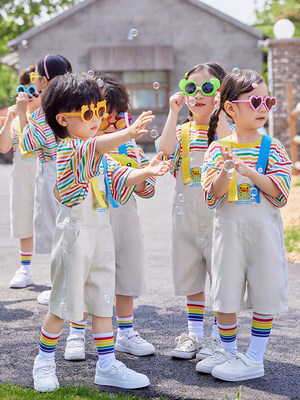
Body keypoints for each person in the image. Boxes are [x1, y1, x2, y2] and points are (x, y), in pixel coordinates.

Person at [32, 72, 170, 392]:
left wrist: (145, 171)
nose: (98, 119)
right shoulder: (68, 149)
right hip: (75, 236)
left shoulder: (97, 151)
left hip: (101, 232)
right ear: (63, 119)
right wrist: (129, 133)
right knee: (62, 303)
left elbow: (118, 175)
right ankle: (43, 361)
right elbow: (91, 150)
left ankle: (107, 364)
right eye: (89, 113)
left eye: (100, 111)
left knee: (101, 300)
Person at [198, 69, 292, 381]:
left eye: (267, 100)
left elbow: (280, 193)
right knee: (225, 293)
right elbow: (212, 197)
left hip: (263, 234)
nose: (263, 107)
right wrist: (226, 169)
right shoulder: (216, 149)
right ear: (230, 108)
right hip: (228, 233)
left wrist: (250, 173)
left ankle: (254, 357)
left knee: (264, 291)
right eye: (254, 101)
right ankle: (228, 352)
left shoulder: (273, 147)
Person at [64, 74, 156, 362]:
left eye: (121, 118)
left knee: (126, 273)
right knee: (87, 275)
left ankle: (126, 332)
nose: (115, 124)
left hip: (126, 220)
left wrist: (145, 174)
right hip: (90, 222)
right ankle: (77, 331)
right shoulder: (83, 148)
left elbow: (147, 190)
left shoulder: (130, 147)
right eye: (107, 117)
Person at [158, 62, 231, 360]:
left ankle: (218, 337)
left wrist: (221, 112)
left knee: (222, 274)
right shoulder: (182, 131)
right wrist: (173, 113)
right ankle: (194, 334)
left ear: (222, 93)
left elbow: (229, 147)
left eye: (208, 88)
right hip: (185, 215)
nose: (198, 94)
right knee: (190, 274)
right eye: (191, 88)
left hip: (220, 215)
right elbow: (164, 150)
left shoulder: (228, 129)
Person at [19, 55, 72, 302]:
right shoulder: (74, 99)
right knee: (73, 228)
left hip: (53, 171)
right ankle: (74, 285)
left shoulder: (46, 107)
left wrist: (22, 114)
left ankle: (60, 288)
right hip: (75, 169)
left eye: (36, 77)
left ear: (44, 79)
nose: (35, 82)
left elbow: (28, 143)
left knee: (56, 231)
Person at [0, 65, 40, 288]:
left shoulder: (50, 119)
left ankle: (59, 272)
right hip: (21, 173)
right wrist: (9, 120)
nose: (28, 96)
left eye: (33, 90)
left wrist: (24, 115)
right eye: (23, 90)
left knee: (52, 221)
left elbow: (31, 142)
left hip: (46, 173)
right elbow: (4, 146)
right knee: (24, 217)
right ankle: (25, 268)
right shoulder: (16, 119)